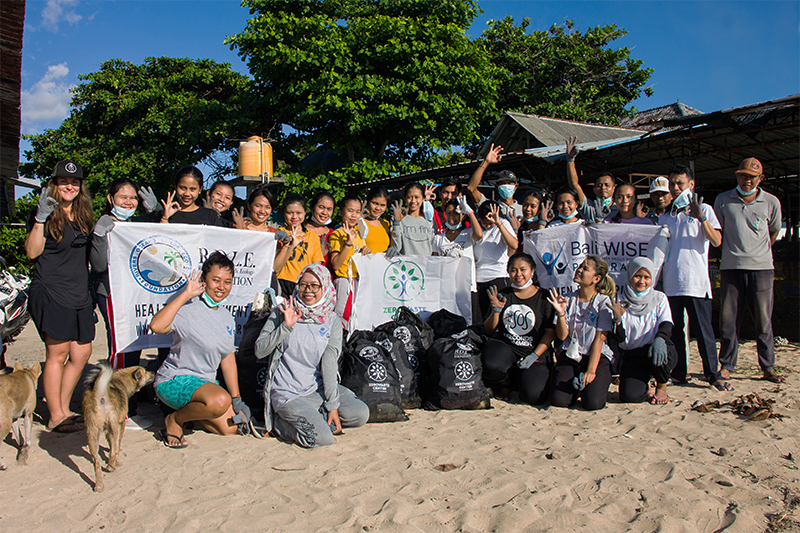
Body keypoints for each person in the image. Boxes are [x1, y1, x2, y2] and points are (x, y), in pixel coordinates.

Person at [254, 264, 369, 447]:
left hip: (318, 389)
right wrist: (285, 327)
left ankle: (317, 416)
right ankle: (280, 424)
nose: (308, 291)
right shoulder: (283, 311)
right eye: (303, 285)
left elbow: (329, 364)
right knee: (322, 438)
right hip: (289, 393)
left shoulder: (332, 321)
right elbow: (260, 350)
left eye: (314, 285)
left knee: (360, 414)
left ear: (324, 287)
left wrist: (332, 405)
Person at [151, 252, 251, 448]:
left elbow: (228, 359)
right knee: (220, 400)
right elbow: (156, 326)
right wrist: (186, 295)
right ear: (204, 279)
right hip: (174, 379)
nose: (221, 287)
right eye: (216, 280)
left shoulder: (226, 317)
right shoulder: (186, 308)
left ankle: (200, 412)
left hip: (205, 385)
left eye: (227, 282)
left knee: (231, 428)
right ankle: (175, 420)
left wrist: (237, 399)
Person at [24, 160, 94, 433]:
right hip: (51, 290)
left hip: (79, 292)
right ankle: (55, 415)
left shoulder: (83, 215)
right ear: (54, 184)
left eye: (74, 182)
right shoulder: (42, 213)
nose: (69, 186)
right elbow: (32, 252)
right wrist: (40, 218)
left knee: (82, 352)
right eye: (64, 181)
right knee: (57, 353)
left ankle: (64, 408)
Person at [89, 177, 161, 430]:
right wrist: (99, 235)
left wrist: (156, 211)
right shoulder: (106, 225)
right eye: (123, 197)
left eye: (133, 198)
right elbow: (98, 265)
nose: (128, 202)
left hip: (136, 295)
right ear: (111, 199)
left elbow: (165, 232)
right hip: (111, 293)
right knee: (121, 349)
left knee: (136, 347)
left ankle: (128, 407)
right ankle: (120, 411)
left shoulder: (135, 225)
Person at [659, 165, 730, 391]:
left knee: (703, 332)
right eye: (672, 184)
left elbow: (717, 241)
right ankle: (680, 373)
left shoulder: (705, 210)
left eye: (680, 183)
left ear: (691, 184)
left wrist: (701, 219)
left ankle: (712, 374)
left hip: (696, 283)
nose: (676, 187)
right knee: (676, 332)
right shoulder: (666, 216)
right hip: (672, 283)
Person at [714, 157, 784, 383]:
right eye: (743, 175)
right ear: (737, 176)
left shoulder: (771, 202)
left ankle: (767, 366)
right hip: (731, 268)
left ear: (760, 179)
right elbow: (717, 231)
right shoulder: (723, 201)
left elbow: (773, 232)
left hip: (762, 269)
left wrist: (759, 253)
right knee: (728, 320)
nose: (747, 180)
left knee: (763, 320)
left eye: (752, 177)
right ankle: (726, 365)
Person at [482, 253, 556, 405]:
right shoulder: (503, 294)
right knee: (491, 364)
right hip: (507, 346)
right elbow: (489, 329)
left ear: (532, 271)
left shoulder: (544, 297)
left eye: (523, 269)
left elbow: (550, 332)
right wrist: (496, 310)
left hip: (533, 350)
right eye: (513, 270)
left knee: (534, 396)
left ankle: (521, 376)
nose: (518, 274)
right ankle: (505, 381)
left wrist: (535, 355)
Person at [548, 256, 615, 411]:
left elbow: (599, 339)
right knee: (559, 400)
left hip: (594, 356)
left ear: (596, 278)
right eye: (580, 267)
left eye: (585, 269)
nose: (579, 270)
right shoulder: (569, 298)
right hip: (571, 355)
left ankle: (596, 384)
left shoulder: (603, 302)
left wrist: (591, 371)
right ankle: (577, 386)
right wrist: (561, 314)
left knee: (593, 403)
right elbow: (562, 336)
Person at [609, 257, 677, 404]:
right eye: (637, 276)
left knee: (663, 350)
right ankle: (645, 384)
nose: (642, 281)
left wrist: (660, 339)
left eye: (647, 277)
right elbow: (620, 339)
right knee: (630, 396)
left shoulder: (659, 298)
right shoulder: (620, 301)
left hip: (652, 350)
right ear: (630, 276)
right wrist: (618, 320)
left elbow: (666, 323)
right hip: (632, 355)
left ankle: (661, 385)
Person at [474, 201, 518, 322]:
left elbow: (514, 244)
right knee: (482, 318)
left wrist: (498, 223)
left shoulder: (503, 223)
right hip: (479, 278)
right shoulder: (476, 227)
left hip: (499, 275)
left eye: (490, 223)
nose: (488, 226)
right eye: (485, 223)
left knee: (500, 316)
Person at [276, 194, 324, 296]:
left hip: (304, 285)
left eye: (299, 213)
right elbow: (275, 267)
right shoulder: (279, 234)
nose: (294, 217)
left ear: (305, 213)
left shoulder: (312, 237)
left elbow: (316, 267)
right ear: (284, 213)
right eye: (290, 213)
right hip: (281, 282)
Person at [328, 195, 369, 316]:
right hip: (343, 280)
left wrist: (365, 252)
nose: (354, 215)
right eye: (350, 211)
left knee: (355, 315)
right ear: (341, 212)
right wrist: (348, 243)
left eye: (358, 212)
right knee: (340, 314)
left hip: (357, 281)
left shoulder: (360, 234)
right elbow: (335, 265)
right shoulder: (337, 234)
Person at [465, 144, 522, 230]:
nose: (506, 186)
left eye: (509, 183)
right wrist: (486, 161)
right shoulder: (489, 206)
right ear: (496, 187)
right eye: (502, 183)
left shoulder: (524, 210)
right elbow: (471, 188)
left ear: (516, 186)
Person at [565, 136, 617, 223]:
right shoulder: (589, 207)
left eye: (607, 185)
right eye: (599, 185)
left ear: (614, 188)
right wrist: (570, 160)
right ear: (594, 189)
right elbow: (574, 184)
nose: (603, 188)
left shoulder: (620, 210)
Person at [161, 166, 227, 226]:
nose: (187, 194)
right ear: (175, 187)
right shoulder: (163, 214)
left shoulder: (210, 215)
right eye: (183, 188)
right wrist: (164, 219)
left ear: (200, 189)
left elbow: (220, 238)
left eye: (192, 189)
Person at [390, 182, 435, 256]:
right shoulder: (398, 219)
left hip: (425, 266)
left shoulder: (428, 220)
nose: (413, 201)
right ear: (405, 198)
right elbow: (396, 247)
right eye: (409, 197)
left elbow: (432, 247)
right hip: (406, 265)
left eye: (417, 197)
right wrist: (397, 223)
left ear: (423, 198)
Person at [306, 192, 336, 264]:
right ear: (312, 208)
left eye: (329, 209)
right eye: (321, 207)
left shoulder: (333, 234)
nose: (325, 212)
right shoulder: (302, 231)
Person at [362, 186, 392, 254]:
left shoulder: (386, 224)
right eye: (375, 203)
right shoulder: (358, 223)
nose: (378, 208)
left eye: (382, 205)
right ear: (367, 202)